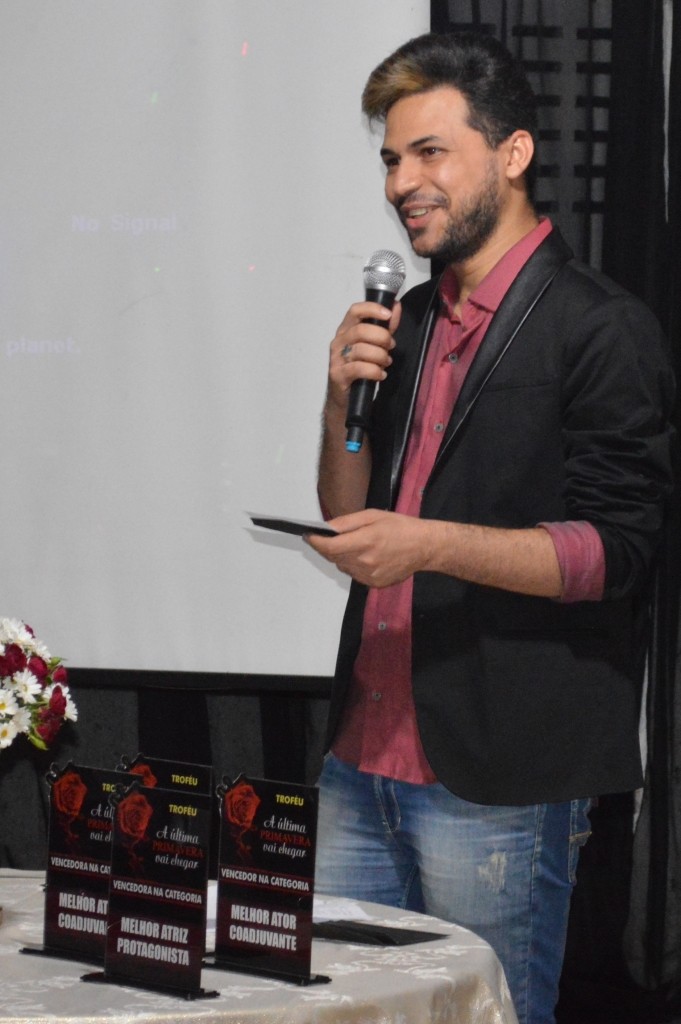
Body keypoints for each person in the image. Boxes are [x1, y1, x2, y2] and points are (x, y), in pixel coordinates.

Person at [304, 30, 675, 1024]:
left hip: (497, 778)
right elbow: (348, 510)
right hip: (358, 758)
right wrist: (339, 395)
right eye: (392, 158)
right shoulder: (408, 320)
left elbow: (615, 553)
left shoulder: (600, 327)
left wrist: (426, 543)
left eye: (430, 152)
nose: (401, 183)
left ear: (513, 153)